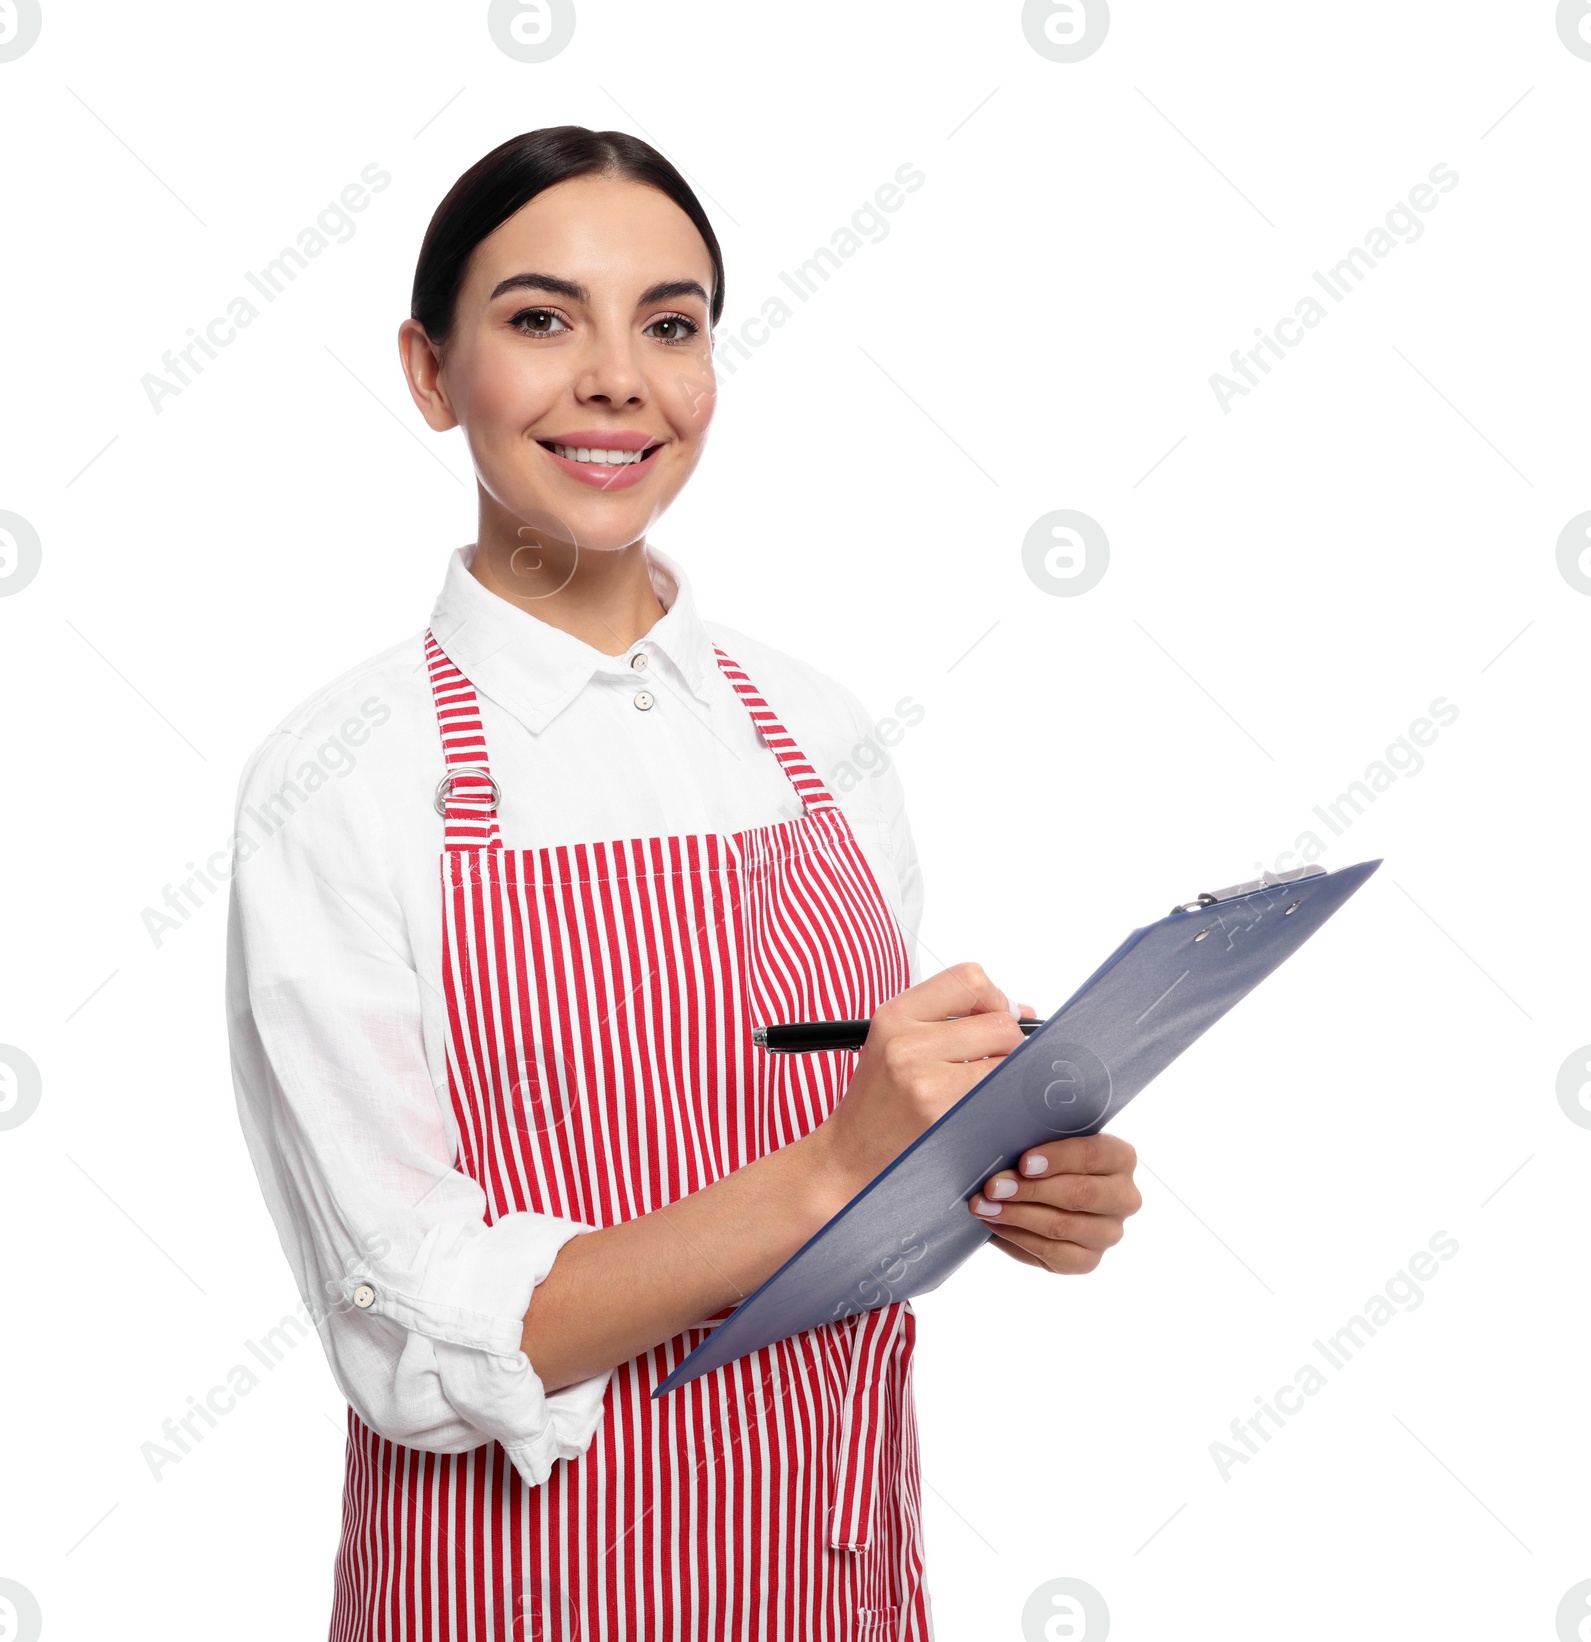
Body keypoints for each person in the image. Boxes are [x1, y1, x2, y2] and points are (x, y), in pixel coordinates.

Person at [226, 124, 1142, 1642]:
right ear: (430, 371)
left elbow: (848, 1173)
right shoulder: (346, 779)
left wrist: (1003, 1176)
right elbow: (411, 1328)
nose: (617, 380)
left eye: (671, 324)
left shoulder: (826, 733)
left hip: (840, 1577)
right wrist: (840, 1161)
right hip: (513, 1599)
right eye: (539, 319)